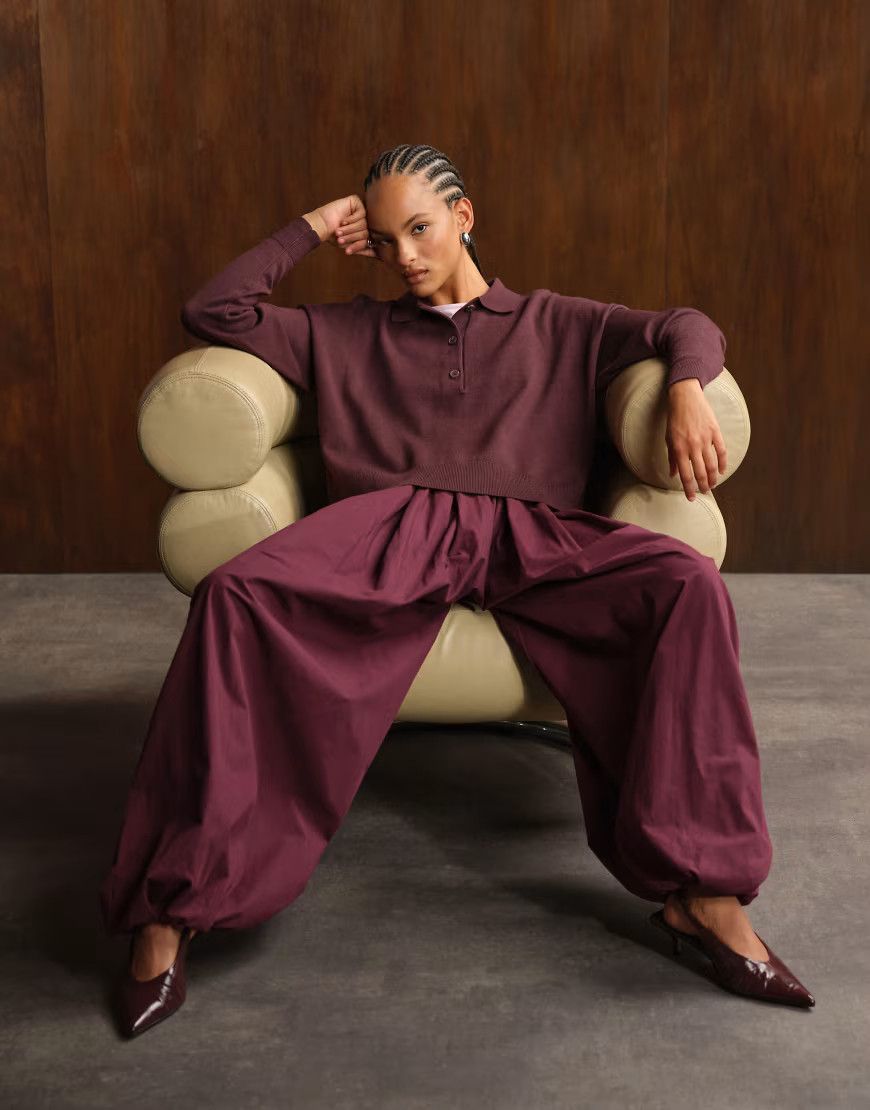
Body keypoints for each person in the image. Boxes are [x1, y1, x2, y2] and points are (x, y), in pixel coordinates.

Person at [102, 143, 814, 1037]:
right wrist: (313, 228)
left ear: (464, 216)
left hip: (532, 535)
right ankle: (169, 910)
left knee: (686, 587)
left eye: (421, 229)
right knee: (234, 596)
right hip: (390, 529)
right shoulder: (342, 331)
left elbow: (689, 325)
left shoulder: (558, 322)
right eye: (384, 240)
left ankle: (705, 897)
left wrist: (683, 387)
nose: (404, 256)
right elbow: (213, 310)